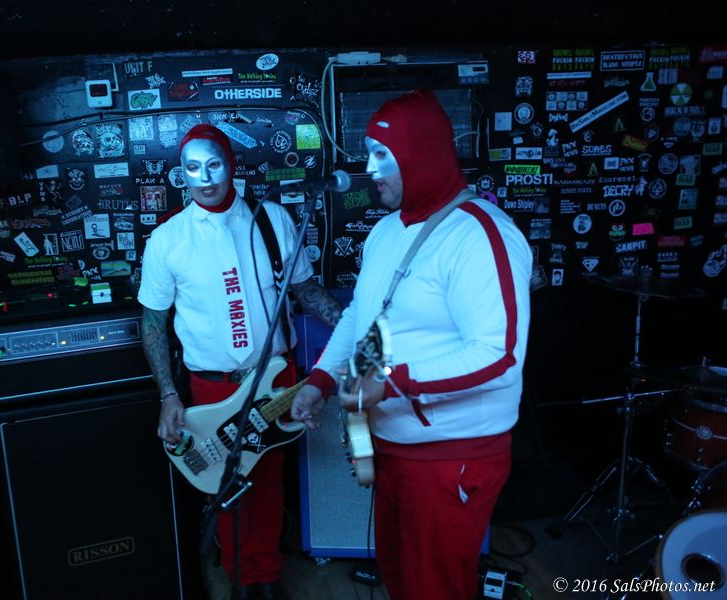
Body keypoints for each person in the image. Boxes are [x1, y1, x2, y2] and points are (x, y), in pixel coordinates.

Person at [291, 90, 532, 600]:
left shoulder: (481, 236)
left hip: (449, 460)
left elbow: (500, 355)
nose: (369, 169)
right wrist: (321, 380)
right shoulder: (385, 231)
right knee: (402, 580)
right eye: (368, 154)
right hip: (393, 450)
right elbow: (362, 317)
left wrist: (392, 382)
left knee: (434, 589)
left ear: (420, 154)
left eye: (383, 155)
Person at [138, 124, 342, 600]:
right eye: (193, 168)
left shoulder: (272, 220)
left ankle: (266, 576)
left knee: (268, 481)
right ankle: (239, 578)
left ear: (231, 164)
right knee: (226, 487)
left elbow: (305, 291)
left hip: (276, 375)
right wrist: (167, 394)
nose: (205, 178)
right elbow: (152, 322)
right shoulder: (167, 239)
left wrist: (352, 326)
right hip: (213, 385)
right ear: (181, 173)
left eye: (214, 165)